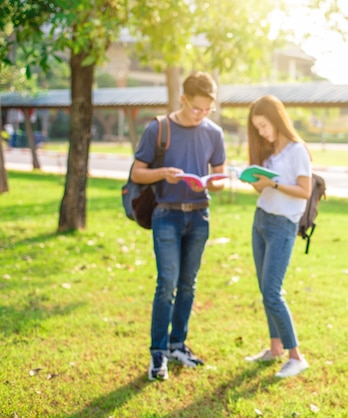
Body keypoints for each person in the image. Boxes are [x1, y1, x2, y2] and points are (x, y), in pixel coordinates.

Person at [131, 71, 226, 381]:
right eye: (196, 108)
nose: (201, 115)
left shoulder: (214, 133)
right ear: (183, 100)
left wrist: (213, 183)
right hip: (166, 215)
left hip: (199, 216)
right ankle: (157, 352)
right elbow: (137, 173)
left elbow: (220, 178)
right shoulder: (158, 129)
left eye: (207, 109)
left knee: (188, 284)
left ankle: (177, 345)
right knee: (167, 284)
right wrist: (163, 174)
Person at [242, 95, 312, 378]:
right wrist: (256, 181)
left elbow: (304, 191)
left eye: (263, 125)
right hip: (261, 221)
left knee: (272, 292)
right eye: (257, 127)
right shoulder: (271, 154)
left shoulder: (297, 151)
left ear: (276, 119)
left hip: (283, 226)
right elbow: (265, 191)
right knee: (264, 289)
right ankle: (275, 348)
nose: (261, 131)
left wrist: (273, 182)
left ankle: (296, 356)